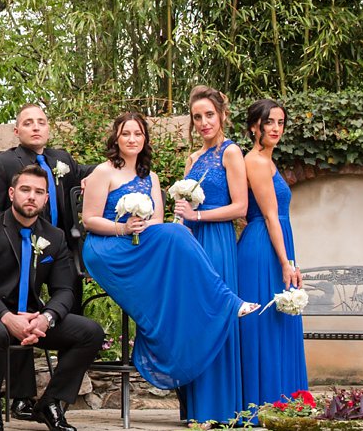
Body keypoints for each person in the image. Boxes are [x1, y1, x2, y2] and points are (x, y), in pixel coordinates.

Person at [81, 111, 259, 394]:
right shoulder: (103, 172)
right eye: (126, 133)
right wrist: (123, 228)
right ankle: (227, 301)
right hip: (106, 247)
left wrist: (141, 227)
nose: (132, 139)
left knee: (176, 237)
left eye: (138, 133)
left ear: (145, 139)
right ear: (116, 137)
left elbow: (156, 223)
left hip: (138, 244)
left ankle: (182, 326)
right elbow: (89, 220)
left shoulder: (150, 176)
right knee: (177, 233)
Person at [0, 165, 103, 431]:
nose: (32, 197)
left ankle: (50, 402)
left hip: (32, 318)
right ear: (12, 193)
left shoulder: (55, 236)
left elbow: (64, 290)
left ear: (46, 199)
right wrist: (7, 317)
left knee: (90, 332)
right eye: (26, 190)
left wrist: (46, 318)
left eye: (39, 192)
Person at [0, 103, 92, 421]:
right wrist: (7, 237)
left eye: (41, 121)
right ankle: (19, 396)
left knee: (63, 316)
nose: (36, 127)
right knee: (16, 302)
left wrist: (120, 164)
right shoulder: (5, 162)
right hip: (13, 249)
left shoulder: (62, 160)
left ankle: (53, 401)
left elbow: (89, 178)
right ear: (17, 130)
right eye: (28, 122)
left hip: (56, 252)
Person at [173, 86, 249, 424]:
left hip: (217, 239)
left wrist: (198, 216)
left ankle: (219, 407)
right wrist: (181, 222)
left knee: (216, 312)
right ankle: (195, 406)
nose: (204, 122)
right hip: (192, 240)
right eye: (197, 117)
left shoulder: (231, 152)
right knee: (195, 316)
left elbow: (241, 206)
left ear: (221, 115)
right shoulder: (192, 159)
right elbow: (185, 207)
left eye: (209, 115)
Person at [236, 99, 308, 407]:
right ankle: (263, 399)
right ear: (255, 127)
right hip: (264, 245)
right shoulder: (255, 161)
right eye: (269, 122)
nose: (276, 128)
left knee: (278, 320)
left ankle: (281, 396)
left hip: (275, 241)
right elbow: (268, 215)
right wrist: (285, 262)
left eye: (280, 122)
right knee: (264, 320)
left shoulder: (268, 160)